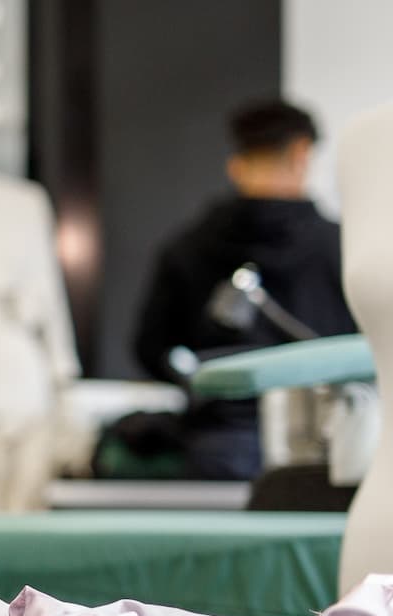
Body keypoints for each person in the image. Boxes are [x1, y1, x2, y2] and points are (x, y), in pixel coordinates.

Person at [130, 99, 354, 479]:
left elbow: (149, 347)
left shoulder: (188, 246)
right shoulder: (343, 247)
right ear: (302, 153)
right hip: (322, 441)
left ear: (237, 164)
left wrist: (202, 383)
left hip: (218, 442)